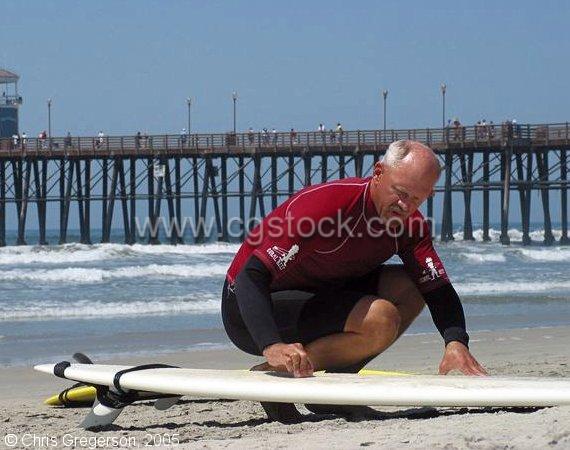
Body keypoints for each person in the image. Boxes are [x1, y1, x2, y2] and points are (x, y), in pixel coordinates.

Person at [222, 140, 486, 422]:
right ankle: (277, 372)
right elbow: (251, 277)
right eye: (400, 192)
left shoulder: (411, 227)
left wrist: (456, 342)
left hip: (322, 293)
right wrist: (271, 344)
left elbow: (436, 286)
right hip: (251, 308)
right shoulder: (326, 207)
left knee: (411, 286)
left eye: (416, 199)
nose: (404, 205)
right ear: (378, 172)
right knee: (380, 318)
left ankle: (335, 387)